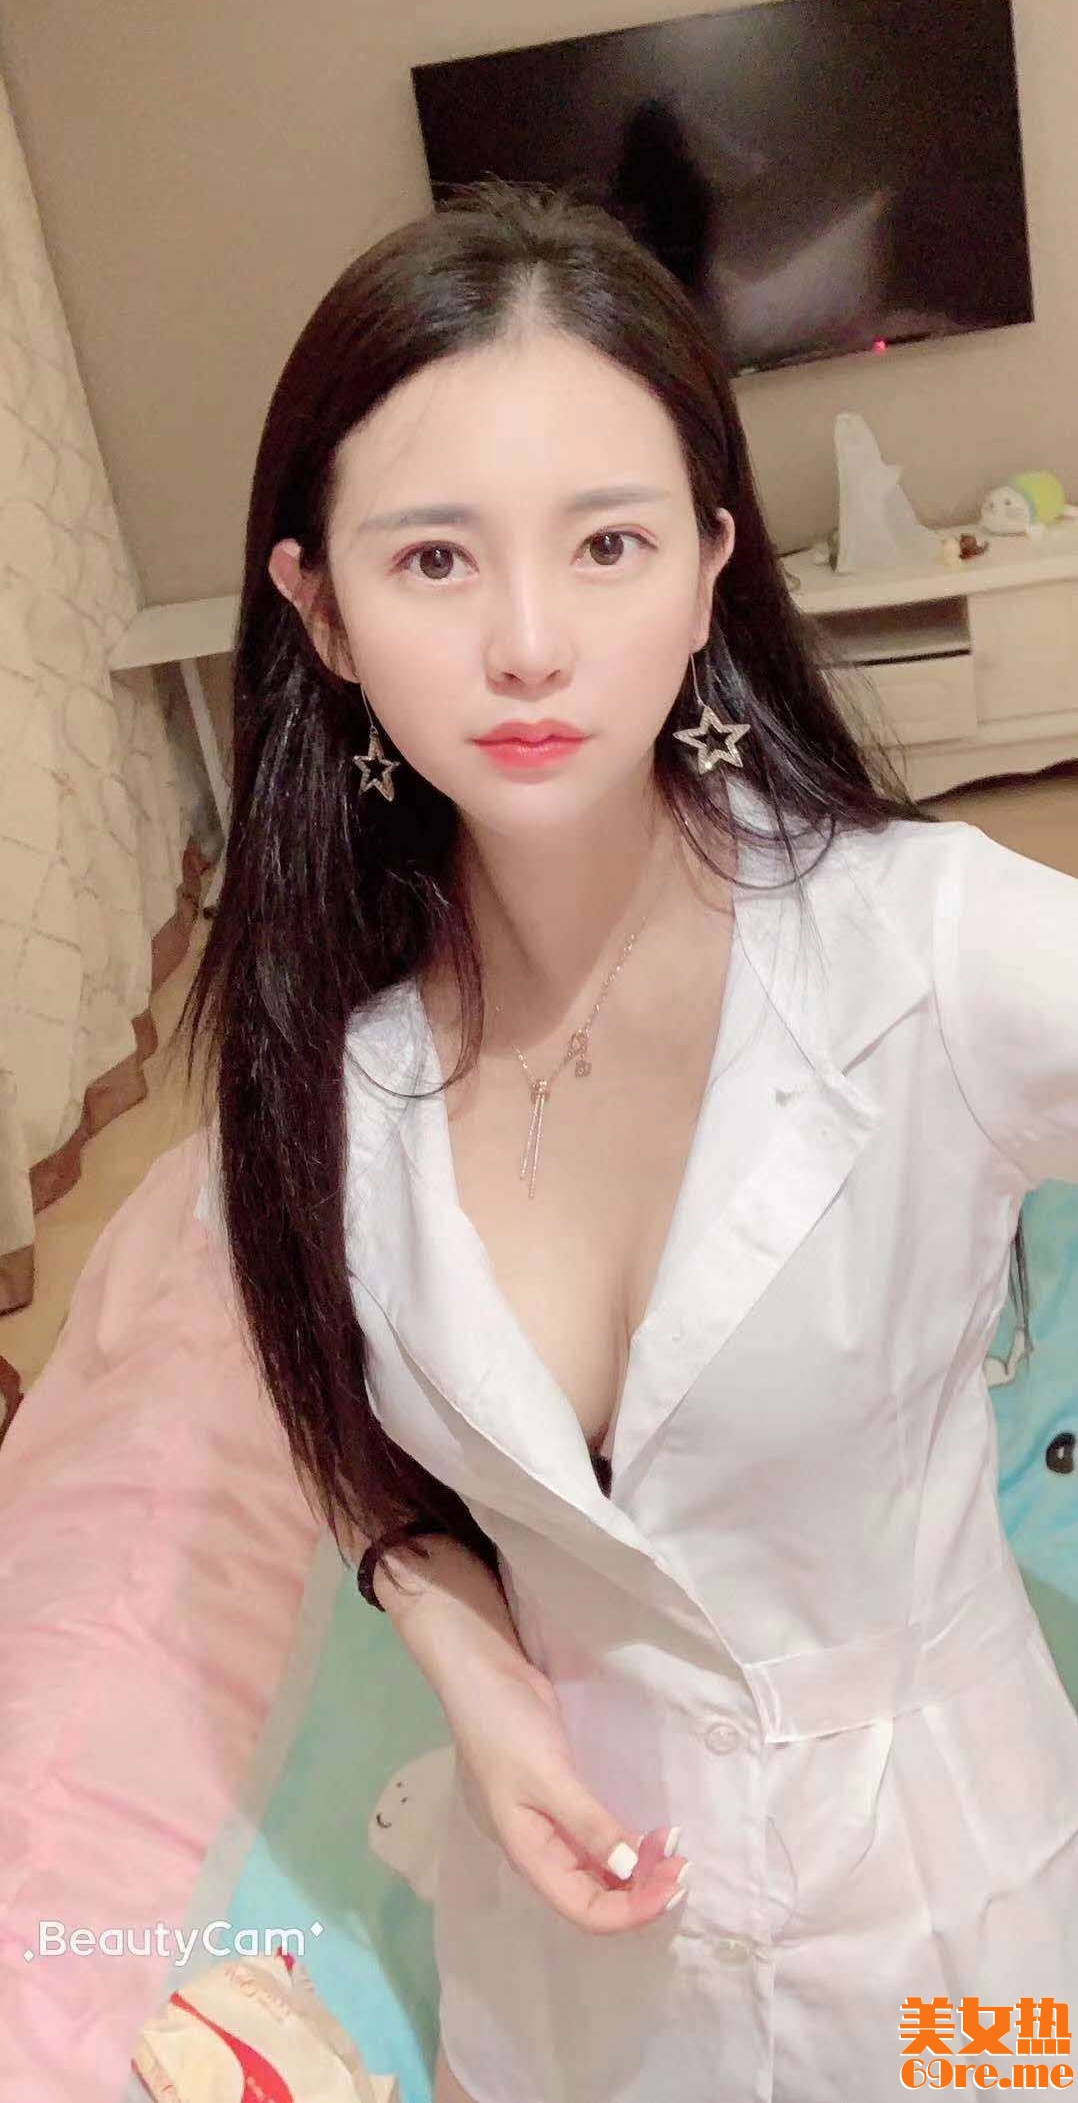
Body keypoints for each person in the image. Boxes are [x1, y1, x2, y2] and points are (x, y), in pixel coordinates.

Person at [179, 179, 1078, 2103]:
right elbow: (341, 1426)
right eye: (434, 558)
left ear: (709, 565)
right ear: (318, 609)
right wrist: (451, 1633)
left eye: (607, 542)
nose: (529, 643)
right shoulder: (318, 1063)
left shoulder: (931, 950)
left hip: (951, 1943)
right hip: (575, 1961)